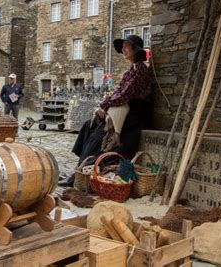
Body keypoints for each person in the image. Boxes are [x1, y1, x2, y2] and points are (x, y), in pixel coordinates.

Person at [59, 35, 152, 187]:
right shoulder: (131, 71)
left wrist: (105, 105)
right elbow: (117, 92)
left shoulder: (140, 70)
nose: (123, 49)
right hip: (124, 113)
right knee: (89, 126)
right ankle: (79, 170)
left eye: (126, 46)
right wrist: (104, 105)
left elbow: (125, 94)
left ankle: (79, 174)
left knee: (98, 136)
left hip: (134, 117)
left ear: (135, 50)